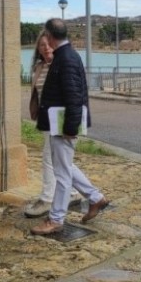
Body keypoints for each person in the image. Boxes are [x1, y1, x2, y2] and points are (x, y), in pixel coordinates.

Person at [30, 18, 109, 235]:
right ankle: (95, 198)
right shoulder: (66, 57)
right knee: (64, 167)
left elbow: (74, 97)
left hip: (64, 126)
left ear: (51, 35)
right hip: (60, 124)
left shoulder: (65, 59)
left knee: (62, 174)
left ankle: (56, 219)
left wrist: (70, 128)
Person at [24, 31, 82, 217]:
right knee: (62, 160)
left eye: (49, 44)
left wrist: (71, 123)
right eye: (42, 45)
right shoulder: (40, 67)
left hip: (62, 118)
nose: (46, 48)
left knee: (50, 159)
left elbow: (73, 93)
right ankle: (76, 194)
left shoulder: (63, 65)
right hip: (47, 118)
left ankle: (48, 199)